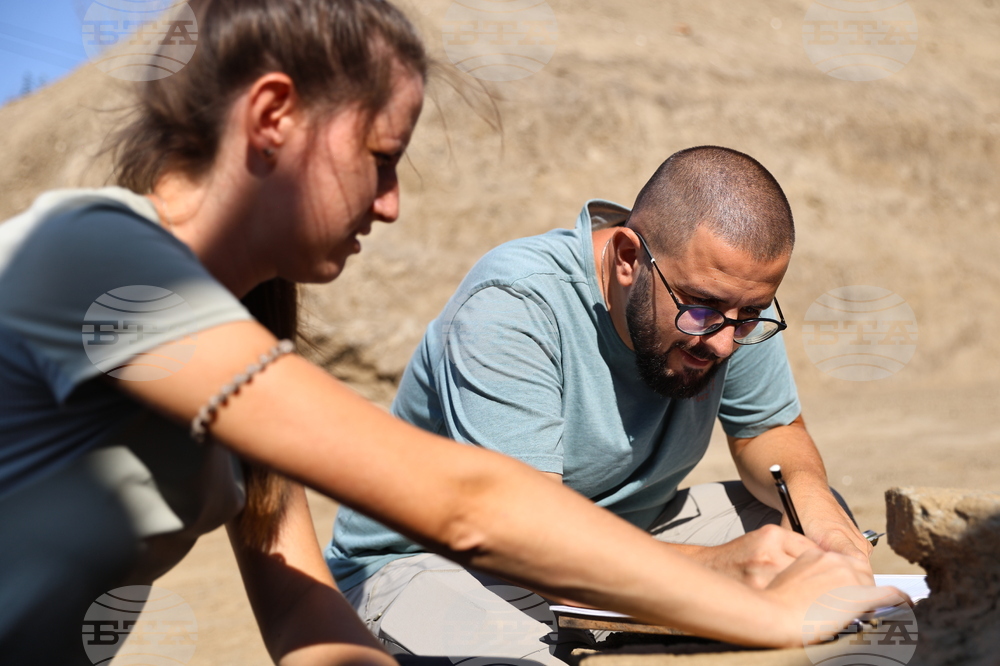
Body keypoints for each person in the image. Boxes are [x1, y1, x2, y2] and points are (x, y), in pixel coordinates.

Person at [0, 0, 893, 661]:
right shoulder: (90, 257)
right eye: (379, 160)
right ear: (273, 117)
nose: (390, 205)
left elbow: (305, 618)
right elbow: (470, 505)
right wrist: (758, 607)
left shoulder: (241, 353)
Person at [327, 146, 878, 662]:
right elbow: (526, 536)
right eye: (703, 310)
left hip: (617, 536)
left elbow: (768, 431)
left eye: (752, 315)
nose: (724, 343)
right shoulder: (512, 307)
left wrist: (821, 523)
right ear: (626, 259)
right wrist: (715, 571)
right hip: (445, 561)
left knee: (795, 532)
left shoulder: (728, 301)